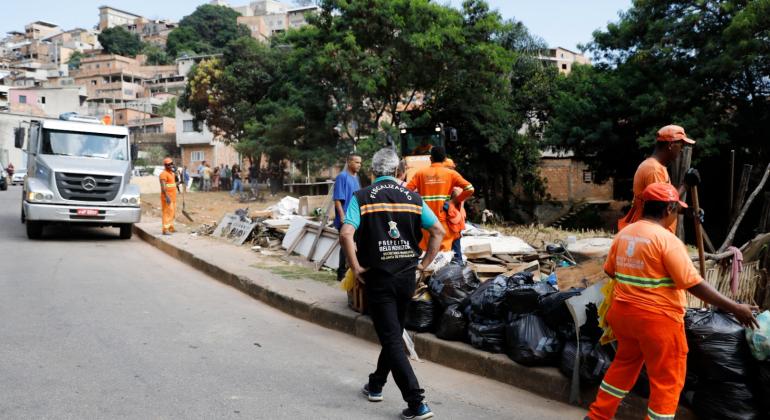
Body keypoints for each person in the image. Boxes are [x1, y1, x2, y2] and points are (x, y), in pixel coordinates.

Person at [586, 182, 757, 420]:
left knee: (623, 367)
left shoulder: (624, 234)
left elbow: (611, 271)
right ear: (668, 209)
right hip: (658, 322)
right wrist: (735, 307)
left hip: (623, 316)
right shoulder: (667, 241)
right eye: (676, 209)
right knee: (668, 382)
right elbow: (693, 283)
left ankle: (597, 416)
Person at [339, 148, 444, 420]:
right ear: (400, 172)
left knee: (391, 337)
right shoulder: (413, 197)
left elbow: (346, 232)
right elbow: (438, 231)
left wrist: (355, 266)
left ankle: (417, 402)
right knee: (393, 333)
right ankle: (376, 384)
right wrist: (425, 263)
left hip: (379, 278)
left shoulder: (361, 198)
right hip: (407, 278)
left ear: (372, 173)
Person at [618, 124, 699, 233]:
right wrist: (685, 185)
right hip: (650, 234)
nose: (681, 150)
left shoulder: (657, 167)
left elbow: (665, 205)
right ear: (671, 144)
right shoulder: (654, 170)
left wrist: (686, 211)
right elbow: (661, 206)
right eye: (681, 145)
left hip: (651, 233)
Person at [406, 146, 474, 262]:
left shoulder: (420, 173)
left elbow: (406, 192)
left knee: (426, 254)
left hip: (425, 221)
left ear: (430, 158)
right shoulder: (451, 174)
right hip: (443, 222)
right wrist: (454, 201)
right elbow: (470, 188)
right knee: (445, 257)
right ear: (444, 159)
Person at [333, 153, 362, 281]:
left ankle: (351, 271)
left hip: (356, 218)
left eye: (360, 163)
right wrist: (342, 216)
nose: (359, 165)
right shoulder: (342, 177)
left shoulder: (357, 178)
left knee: (354, 245)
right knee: (345, 246)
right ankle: (341, 273)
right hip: (345, 218)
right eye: (356, 162)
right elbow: (338, 199)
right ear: (349, 162)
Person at [159, 157, 178, 235]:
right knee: (167, 213)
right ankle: (165, 229)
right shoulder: (163, 174)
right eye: (168, 165)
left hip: (173, 197)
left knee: (172, 213)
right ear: (165, 166)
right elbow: (163, 188)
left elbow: (173, 184)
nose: (170, 166)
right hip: (167, 197)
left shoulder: (172, 173)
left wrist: (180, 182)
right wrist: (167, 197)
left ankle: (170, 227)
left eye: (171, 164)